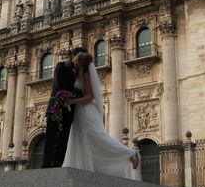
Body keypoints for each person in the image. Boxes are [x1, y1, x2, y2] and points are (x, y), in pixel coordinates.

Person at [62, 51, 140, 179]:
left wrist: (71, 101)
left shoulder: (85, 74)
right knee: (82, 140)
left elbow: (89, 96)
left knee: (98, 136)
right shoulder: (78, 74)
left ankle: (130, 153)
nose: (73, 61)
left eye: (76, 59)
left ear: (81, 62)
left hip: (86, 111)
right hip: (79, 112)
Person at [41, 47, 86, 168]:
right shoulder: (61, 66)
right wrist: (79, 93)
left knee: (63, 139)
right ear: (72, 56)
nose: (78, 60)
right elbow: (60, 86)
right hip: (56, 106)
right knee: (51, 136)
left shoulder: (80, 73)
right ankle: (46, 165)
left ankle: (57, 166)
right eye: (78, 57)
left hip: (70, 110)